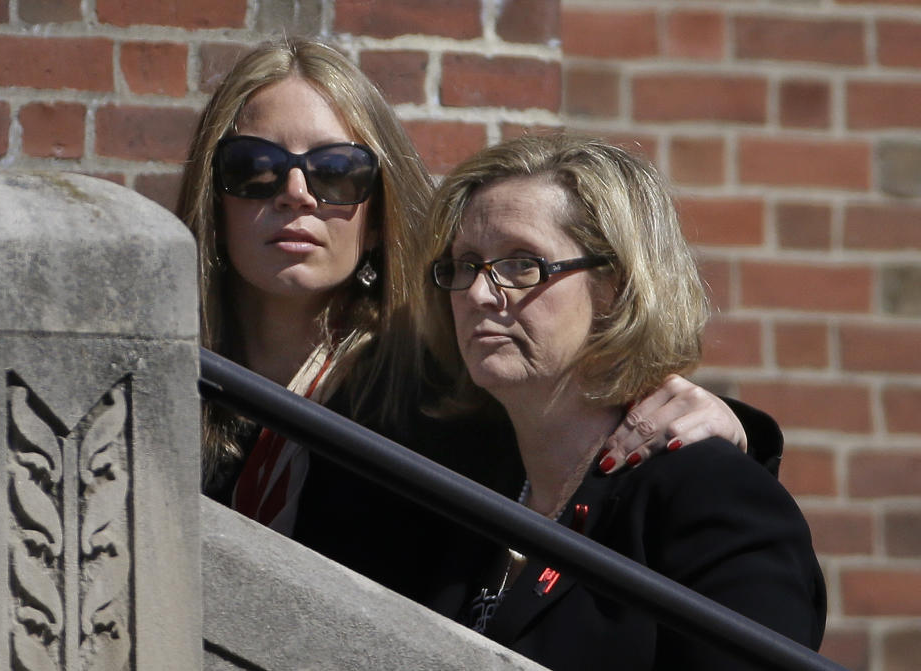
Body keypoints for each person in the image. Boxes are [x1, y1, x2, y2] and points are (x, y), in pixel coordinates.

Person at [175, 37, 782, 599]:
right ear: (213, 192)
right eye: (254, 167)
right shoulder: (163, 381)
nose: (297, 193)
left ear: (380, 209)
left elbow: (583, 432)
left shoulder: (446, 384)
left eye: (337, 171)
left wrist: (731, 426)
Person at [419, 134, 825, 669]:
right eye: (466, 264)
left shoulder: (706, 498)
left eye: (522, 264)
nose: (477, 293)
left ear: (615, 288)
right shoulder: (466, 482)